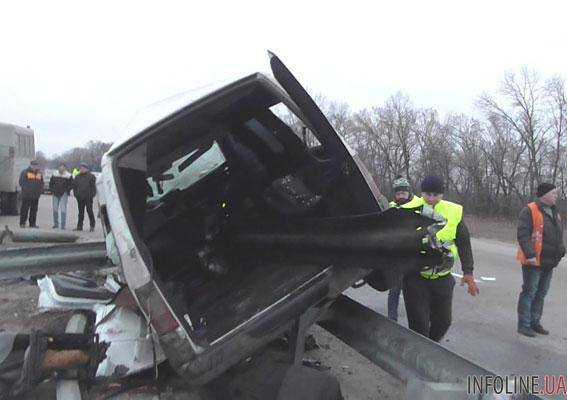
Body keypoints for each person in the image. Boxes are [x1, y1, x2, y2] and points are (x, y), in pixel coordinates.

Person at [401, 175, 479, 342]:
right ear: (421, 193)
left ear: (442, 194)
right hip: (416, 278)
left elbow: (464, 243)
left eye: (435, 195)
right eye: (427, 194)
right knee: (419, 326)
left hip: (442, 279)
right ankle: (421, 353)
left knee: (443, 322)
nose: (431, 199)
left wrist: (468, 272)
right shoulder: (409, 209)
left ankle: (431, 347)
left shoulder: (454, 212)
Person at [516, 183, 565, 337]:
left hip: (549, 261)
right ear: (544, 194)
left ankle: (534, 322)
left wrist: (561, 250)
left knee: (541, 293)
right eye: (554, 193)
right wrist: (530, 254)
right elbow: (523, 234)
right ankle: (524, 324)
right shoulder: (530, 210)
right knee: (530, 292)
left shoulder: (555, 212)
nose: (556, 196)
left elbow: (558, 234)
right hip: (533, 261)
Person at [386, 176, 416, 321]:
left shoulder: (416, 206)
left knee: (413, 290)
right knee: (394, 289)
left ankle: (417, 318)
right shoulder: (391, 207)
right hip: (396, 256)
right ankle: (392, 318)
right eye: (398, 194)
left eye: (403, 193)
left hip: (412, 254)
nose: (401, 196)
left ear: (408, 193)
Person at [18, 160, 44, 228]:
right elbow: (21, 182)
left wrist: (39, 192)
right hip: (26, 195)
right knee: (24, 210)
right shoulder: (25, 172)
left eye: (36, 165)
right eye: (33, 165)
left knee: (34, 210)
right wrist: (27, 190)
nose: (34, 167)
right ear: (30, 165)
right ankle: (22, 223)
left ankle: (32, 224)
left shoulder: (39, 173)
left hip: (35, 196)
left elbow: (41, 183)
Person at [73, 163, 97, 232]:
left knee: (89, 211)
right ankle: (79, 226)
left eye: (83, 168)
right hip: (80, 197)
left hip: (88, 197)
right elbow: (74, 187)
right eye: (80, 168)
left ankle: (92, 225)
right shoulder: (77, 177)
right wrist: (76, 194)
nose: (82, 169)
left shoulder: (91, 176)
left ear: (86, 169)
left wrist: (92, 195)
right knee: (80, 212)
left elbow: (93, 188)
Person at [48, 163, 73, 229]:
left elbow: (71, 185)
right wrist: (52, 190)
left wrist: (67, 191)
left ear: (65, 168)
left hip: (63, 194)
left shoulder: (68, 176)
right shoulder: (55, 174)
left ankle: (63, 225)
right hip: (55, 194)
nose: (61, 168)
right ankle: (56, 224)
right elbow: (51, 183)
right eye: (60, 167)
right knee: (55, 209)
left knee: (63, 209)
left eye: (62, 167)